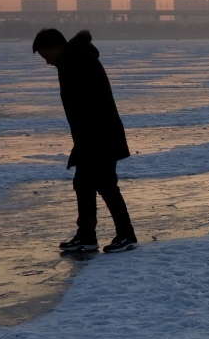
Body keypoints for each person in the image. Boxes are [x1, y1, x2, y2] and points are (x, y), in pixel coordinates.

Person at [32, 29, 138, 253]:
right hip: (92, 136)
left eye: (46, 56)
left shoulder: (76, 63)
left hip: (99, 136)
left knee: (105, 185)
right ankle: (87, 236)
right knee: (84, 183)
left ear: (56, 47)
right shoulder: (73, 60)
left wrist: (87, 141)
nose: (47, 63)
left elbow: (90, 106)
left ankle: (125, 235)